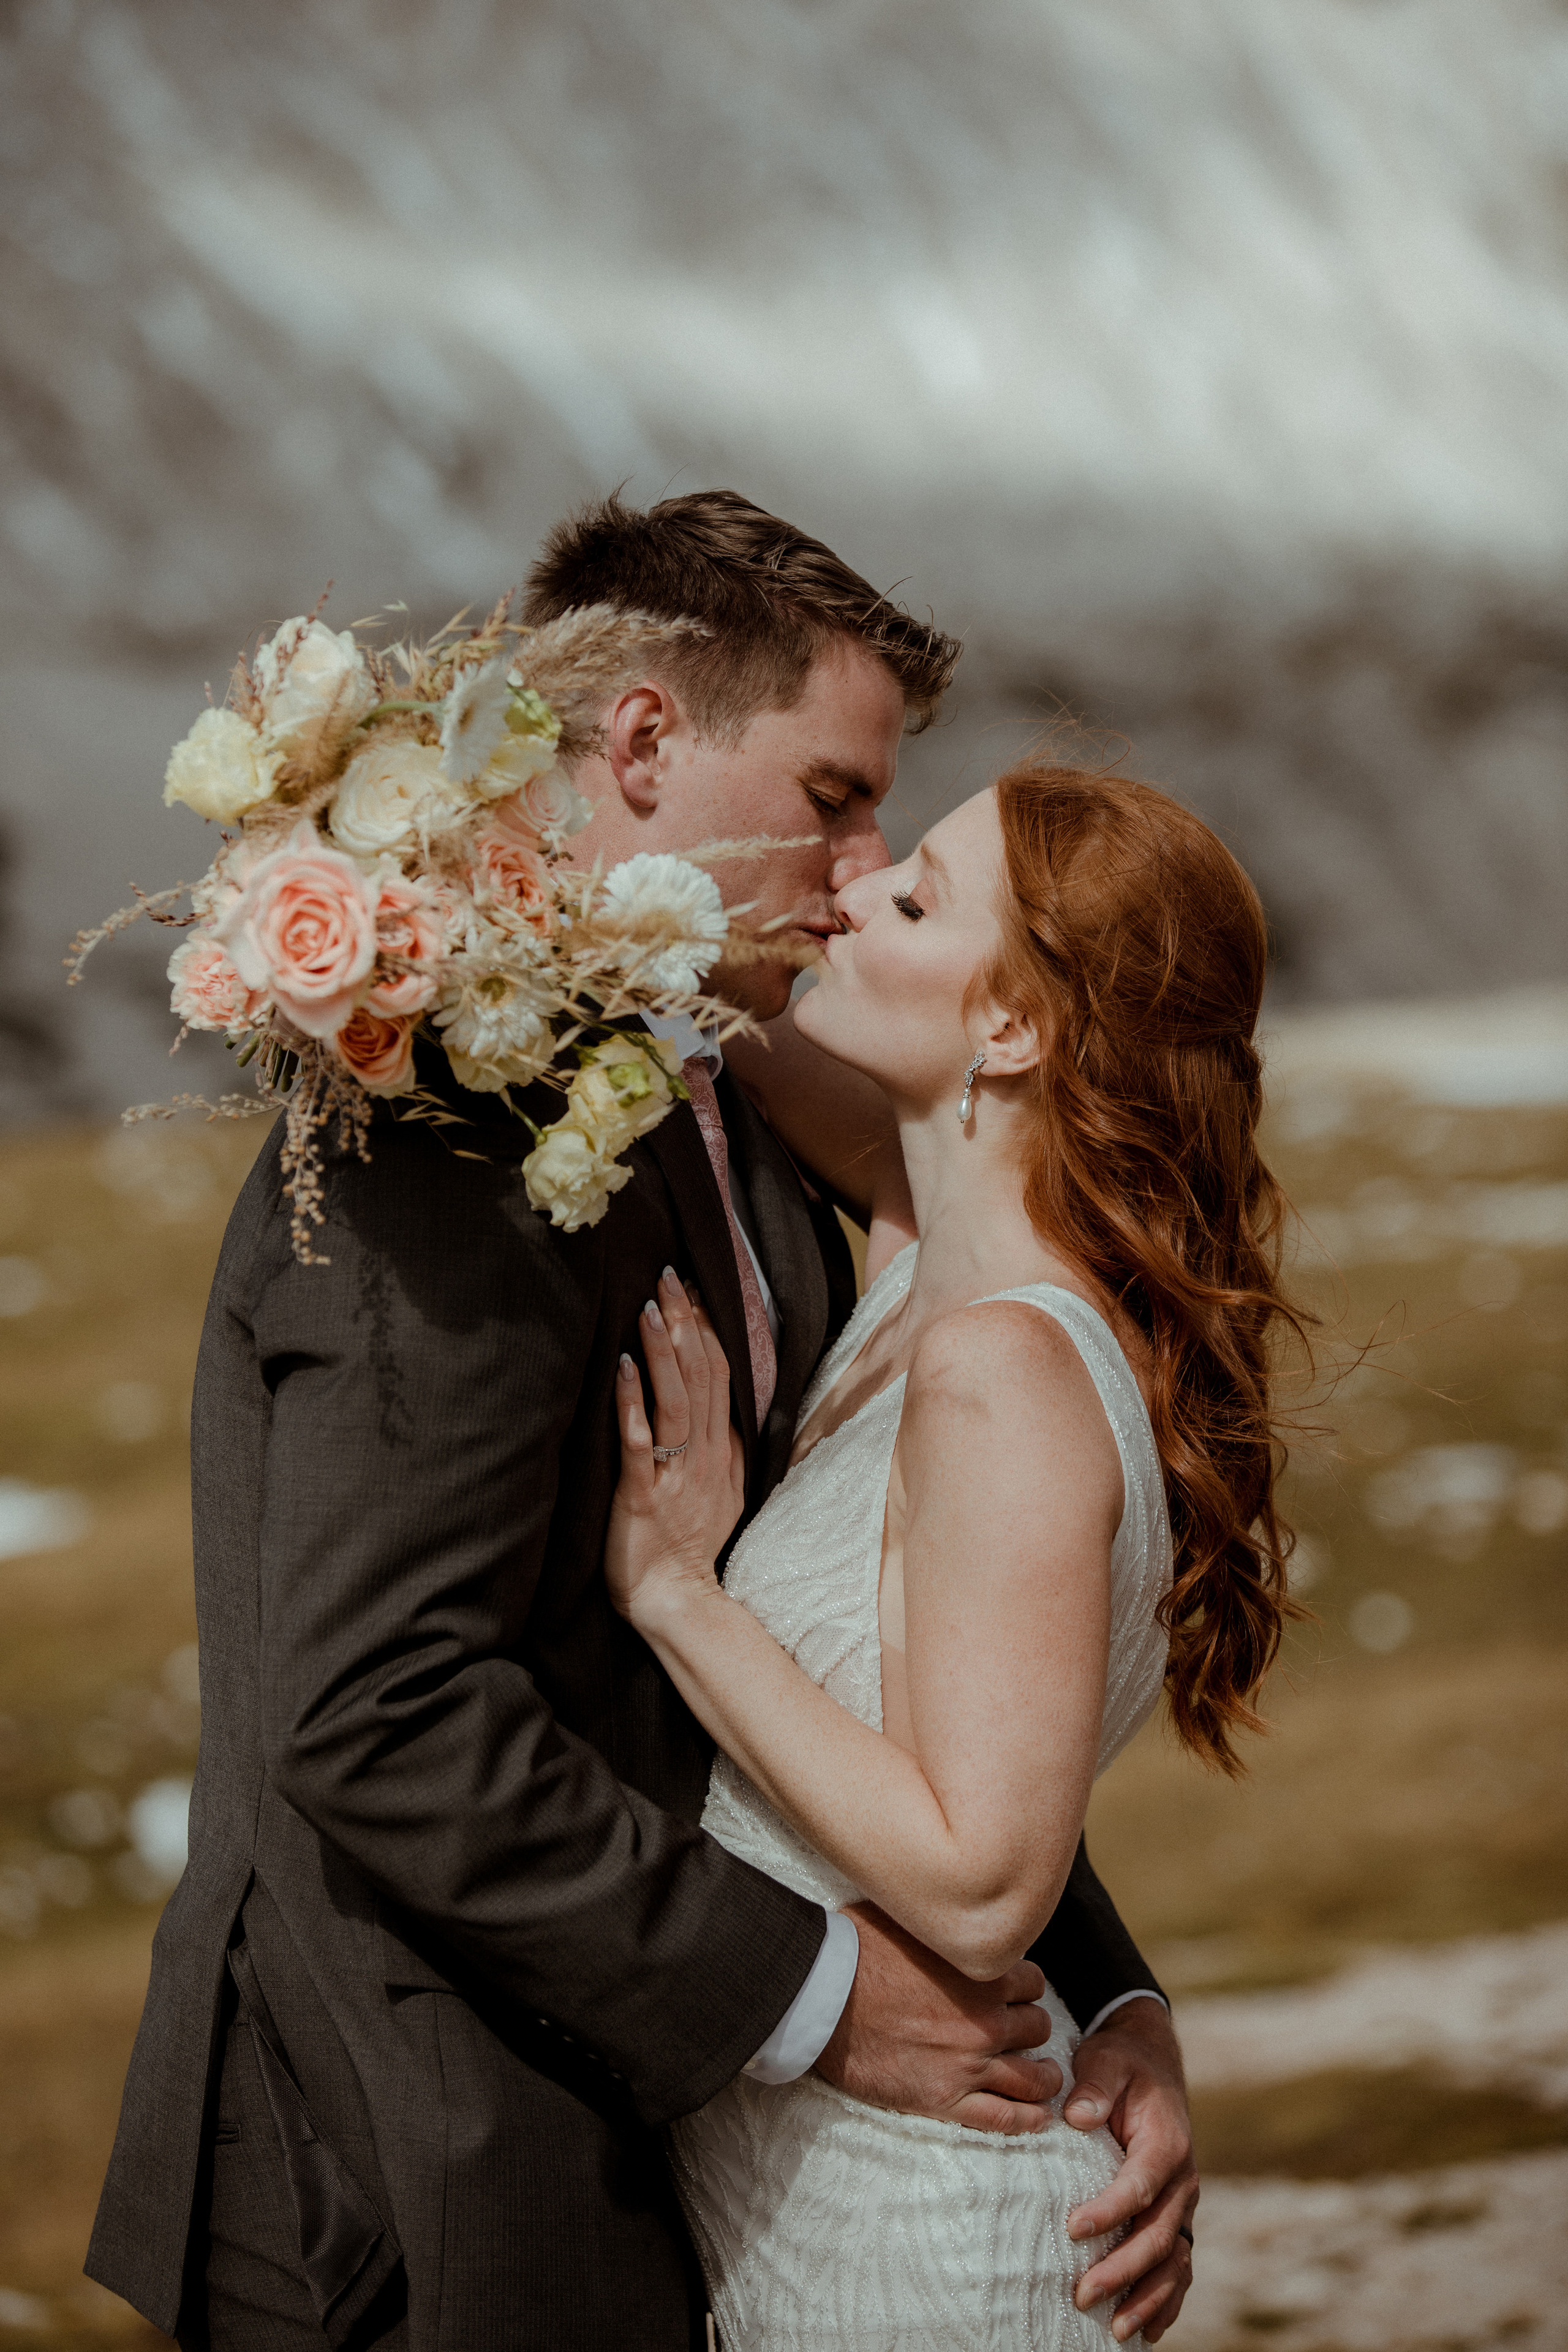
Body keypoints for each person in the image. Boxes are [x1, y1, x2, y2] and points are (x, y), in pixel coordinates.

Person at [87, 494, 1197, 2352]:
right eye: (836, 799)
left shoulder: (735, 1086)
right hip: (414, 2158)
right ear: (649, 742)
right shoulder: (439, 1112)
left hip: (641, 2133)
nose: (856, 874)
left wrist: (1106, 2005)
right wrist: (824, 1993)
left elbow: (884, 1642)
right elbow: (380, 1710)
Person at [605, 764, 1298, 2348]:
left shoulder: (1004, 1371)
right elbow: (700, 952)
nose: (852, 891)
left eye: (913, 896)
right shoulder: (929, 1257)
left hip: (916, 2239)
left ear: (1013, 1033)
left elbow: (987, 1882)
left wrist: (675, 1598)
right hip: (830, 2202)